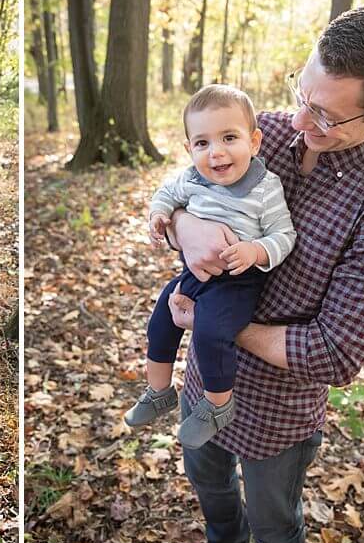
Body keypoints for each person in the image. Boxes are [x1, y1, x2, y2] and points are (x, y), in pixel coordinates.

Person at [157, 6, 364, 543]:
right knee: (212, 499)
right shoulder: (265, 135)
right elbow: (174, 198)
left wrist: (218, 323)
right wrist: (184, 227)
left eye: (326, 117)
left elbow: (335, 353)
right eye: (302, 95)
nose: (301, 123)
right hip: (202, 383)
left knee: (274, 528)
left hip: (278, 416)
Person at [126, 84, 296, 449]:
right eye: (202, 143)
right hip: (193, 275)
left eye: (229, 138)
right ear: (190, 150)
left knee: (209, 333)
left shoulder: (265, 188)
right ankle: (158, 392)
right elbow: (166, 195)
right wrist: (160, 215)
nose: (216, 153)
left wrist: (255, 250)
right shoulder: (193, 178)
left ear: (254, 142)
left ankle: (218, 405)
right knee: (160, 320)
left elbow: (284, 234)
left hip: (237, 282)